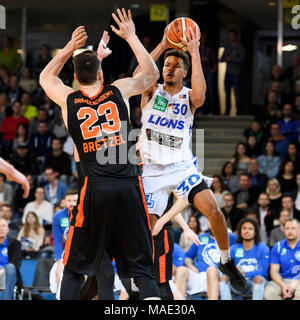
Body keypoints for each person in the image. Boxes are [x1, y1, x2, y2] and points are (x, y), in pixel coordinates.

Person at [39, 9, 162, 300]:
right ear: (99, 73)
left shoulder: (68, 100)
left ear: (75, 76)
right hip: (130, 187)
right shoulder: (119, 90)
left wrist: (70, 46)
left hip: (94, 191)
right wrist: (131, 36)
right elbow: (152, 74)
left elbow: (46, 76)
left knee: (72, 270)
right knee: (142, 271)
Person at [137, 23, 246, 293]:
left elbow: (200, 95)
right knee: (148, 234)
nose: (169, 68)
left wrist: (195, 53)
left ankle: (226, 261)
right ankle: (145, 284)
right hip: (151, 170)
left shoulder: (188, 96)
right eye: (166, 65)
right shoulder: (151, 91)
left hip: (182, 166)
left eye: (175, 65)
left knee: (214, 211)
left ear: (184, 71)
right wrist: (163, 44)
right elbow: (140, 74)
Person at [174, 223, 237, 300]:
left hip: (217, 276)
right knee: (181, 270)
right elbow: (188, 256)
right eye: (211, 222)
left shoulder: (231, 238)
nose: (214, 224)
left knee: (211, 270)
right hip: (199, 274)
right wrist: (191, 267)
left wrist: (229, 274)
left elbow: (240, 256)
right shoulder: (201, 237)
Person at [219, 218, 270, 300]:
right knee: (223, 278)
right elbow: (225, 267)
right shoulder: (233, 248)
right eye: (244, 228)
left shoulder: (263, 248)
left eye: (250, 229)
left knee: (258, 278)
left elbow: (263, 271)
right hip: (237, 283)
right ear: (240, 231)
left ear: (255, 232)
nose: (247, 231)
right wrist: (234, 273)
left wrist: (244, 274)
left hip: (255, 283)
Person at [264, 218, 300, 300]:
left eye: (293, 228)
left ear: (299, 230)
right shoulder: (278, 246)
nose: (290, 231)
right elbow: (274, 271)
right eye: (287, 228)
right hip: (282, 280)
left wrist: (294, 284)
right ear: (284, 230)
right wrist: (283, 285)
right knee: (269, 293)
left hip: (298, 280)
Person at [219, 29, 245, 115]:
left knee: (237, 93)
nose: (231, 38)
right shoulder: (227, 47)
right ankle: (227, 111)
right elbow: (221, 59)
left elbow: (242, 60)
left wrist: (232, 59)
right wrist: (228, 58)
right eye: (229, 36)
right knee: (227, 93)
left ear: (236, 37)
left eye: (232, 36)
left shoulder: (239, 48)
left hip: (236, 73)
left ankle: (238, 111)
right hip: (228, 73)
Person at [0, 217, 22, 300]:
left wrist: (2, 271)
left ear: (8, 229)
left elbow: (16, 263)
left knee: (10, 267)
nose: (1, 229)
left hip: (8, 275)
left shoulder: (15, 244)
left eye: (3, 226)